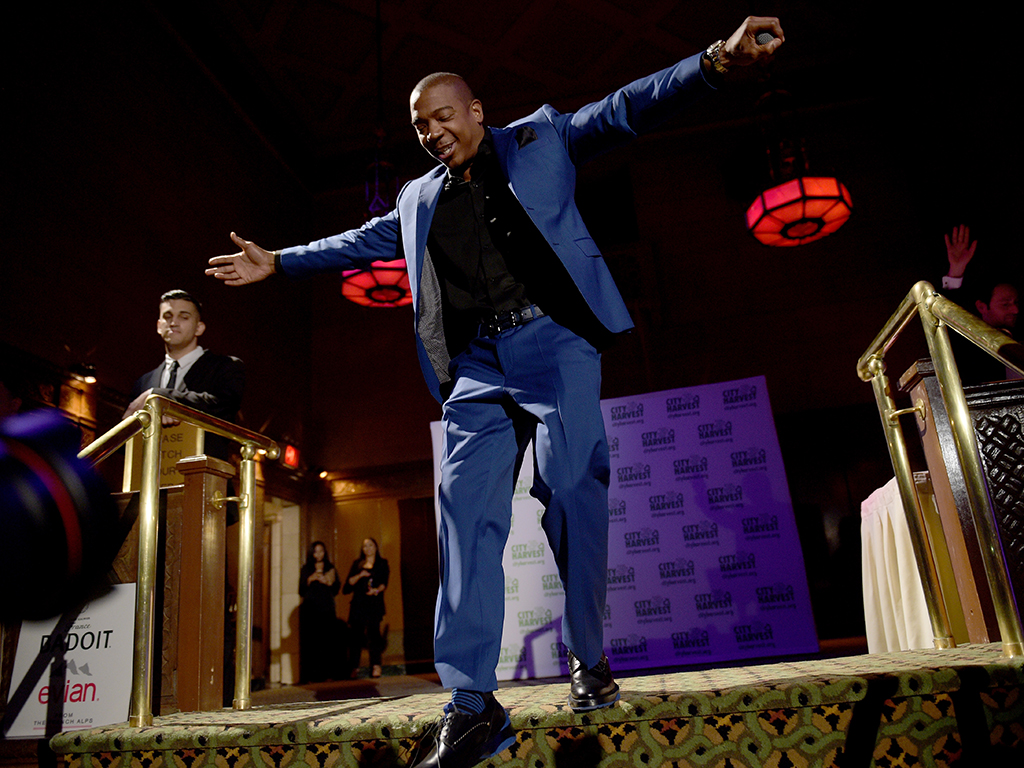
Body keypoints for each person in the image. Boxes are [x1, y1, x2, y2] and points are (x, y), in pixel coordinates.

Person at [207, 16, 783, 768]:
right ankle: (473, 704)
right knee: (464, 517)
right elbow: (355, 241)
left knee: (573, 487)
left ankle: (588, 657)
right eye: (419, 125)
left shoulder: (541, 139)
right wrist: (279, 262)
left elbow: (627, 105)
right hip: (476, 369)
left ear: (476, 111)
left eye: (443, 115)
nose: (432, 131)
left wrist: (715, 60)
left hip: (555, 344)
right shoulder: (416, 199)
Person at [125, 289, 245, 457]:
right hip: (153, 477)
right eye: (167, 316)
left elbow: (223, 407)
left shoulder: (226, 367)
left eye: (184, 317)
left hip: (205, 475)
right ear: (159, 326)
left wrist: (160, 397)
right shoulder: (143, 382)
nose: (173, 322)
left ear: (199, 328)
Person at [941, 225, 1020, 384]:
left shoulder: (1020, 336)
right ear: (982, 307)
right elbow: (944, 321)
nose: (1015, 309)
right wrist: (955, 272)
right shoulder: (970, 345)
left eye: (1016, 303)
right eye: (1005, 304)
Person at [343, 537, 390, 678]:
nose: (367, 548)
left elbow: (384, 583)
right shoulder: (357, 564)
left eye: (370, 545)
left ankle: (376, 666)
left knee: (374, 635)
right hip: (358, 604)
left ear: (376, 547)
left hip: (374, 604)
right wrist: (360, 575)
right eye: (365, 546)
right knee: (356, 637)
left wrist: (375, 591)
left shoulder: (382, 563)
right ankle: (354, 668)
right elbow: (347, 585)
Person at [299, 540, 341, 683]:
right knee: (312, 642)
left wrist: (326, 580)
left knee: (328, 641)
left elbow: (336, 588)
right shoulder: (306, 568)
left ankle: (329, 673)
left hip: (327, 608)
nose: (318, 554)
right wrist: (310, 579)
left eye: (321, 551)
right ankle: (313, 675)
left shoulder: (330, 567)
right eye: (315, 551)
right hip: (311, 610)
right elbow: (301, 590)